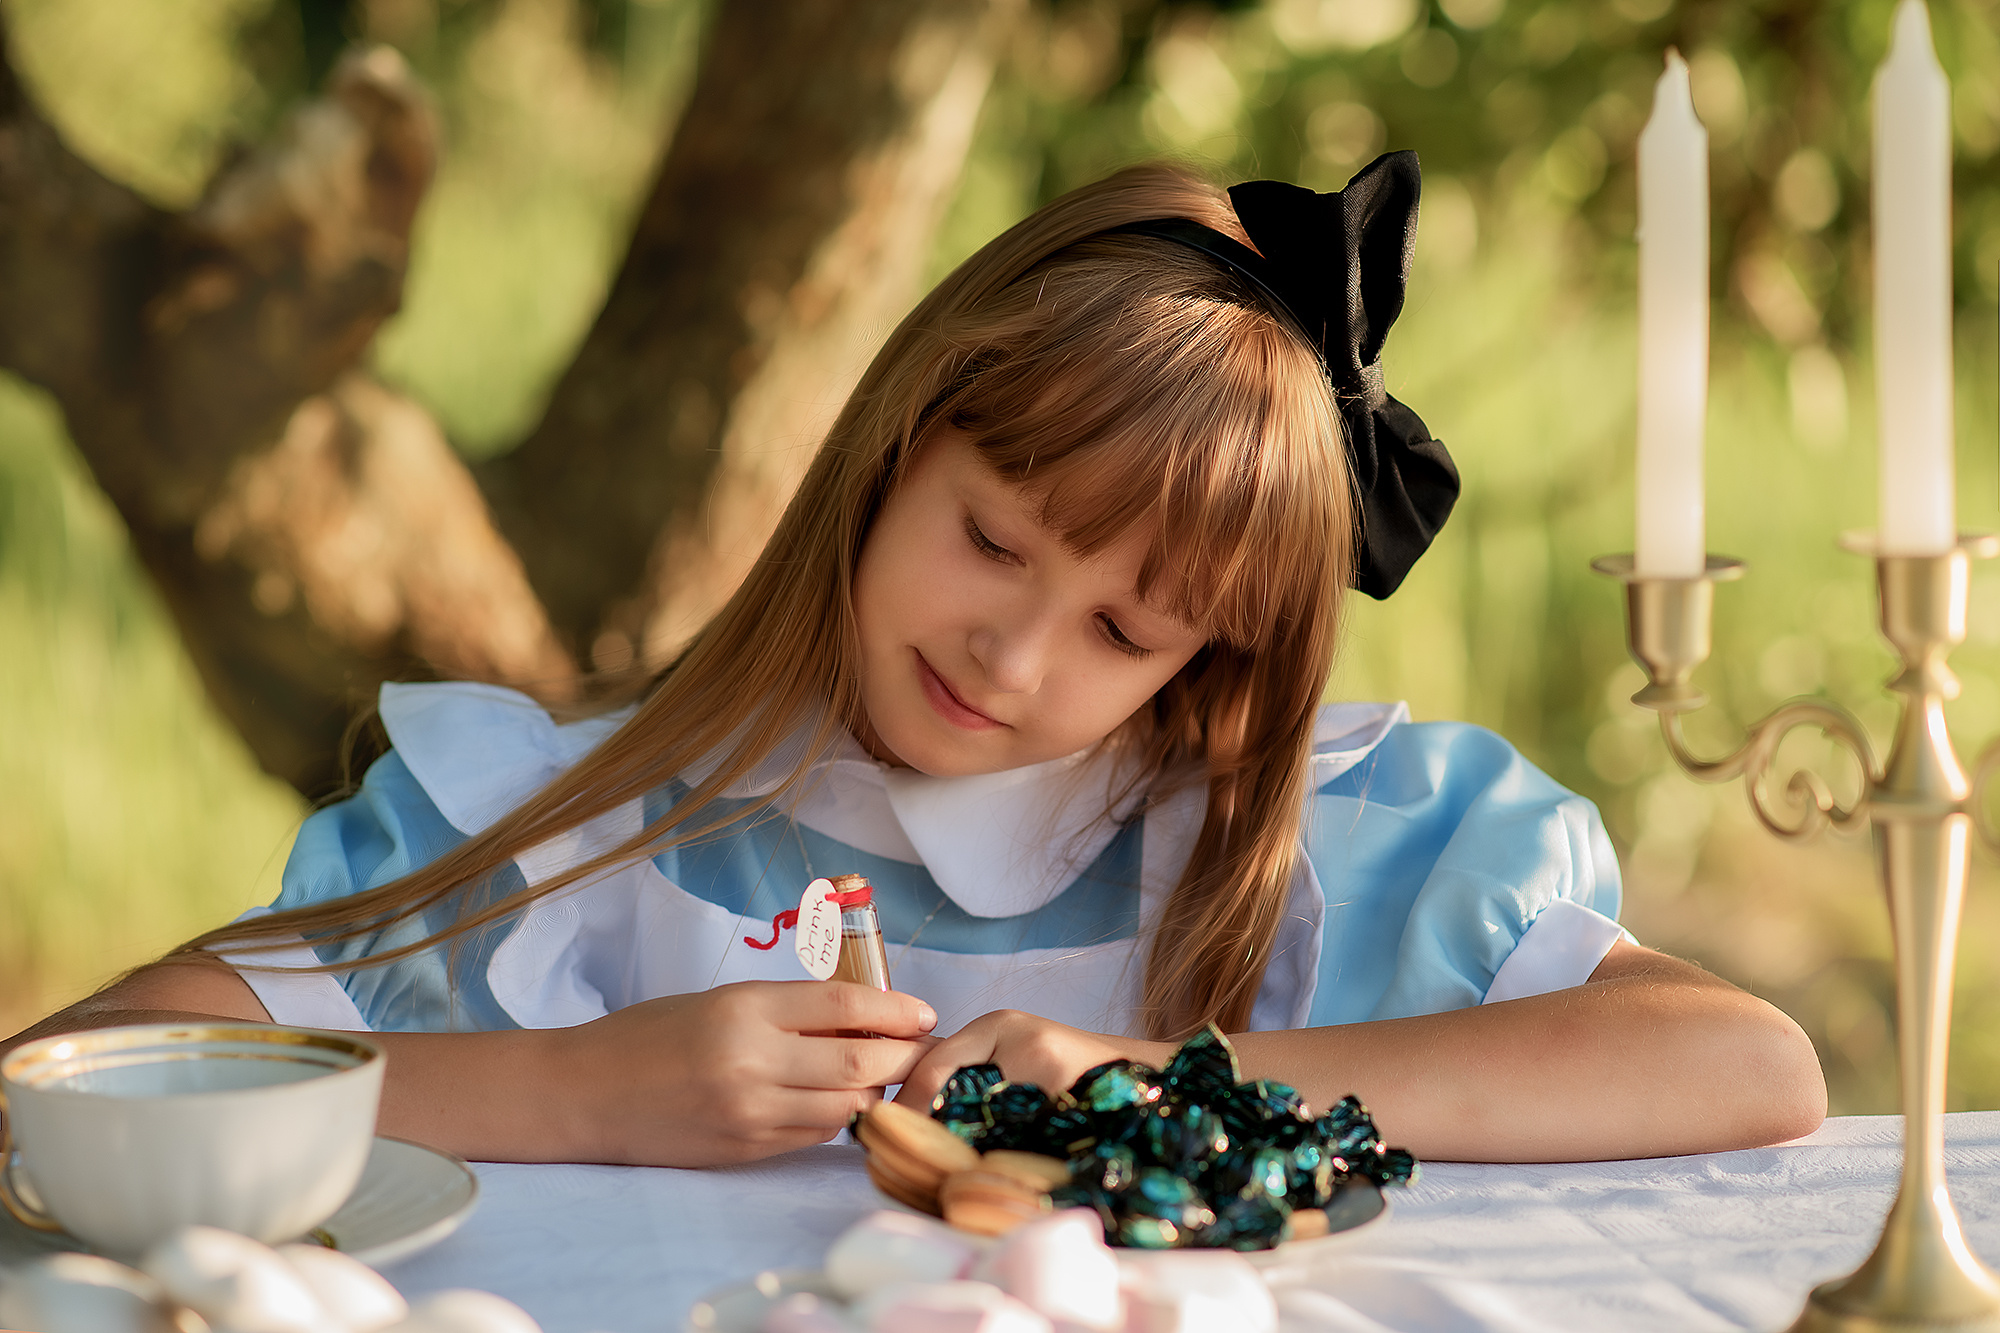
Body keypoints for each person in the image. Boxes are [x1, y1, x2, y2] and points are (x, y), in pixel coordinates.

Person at [6, 155, 1825, 1169]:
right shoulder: (587, 817)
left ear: (1212, 662)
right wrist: (577, 1089)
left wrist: (1157, 1076)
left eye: (1124, 625)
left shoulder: (1305, 846)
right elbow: (65, 1080)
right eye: (991, 536)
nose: (1011, 650)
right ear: (890, 454)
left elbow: (1745, 1066)